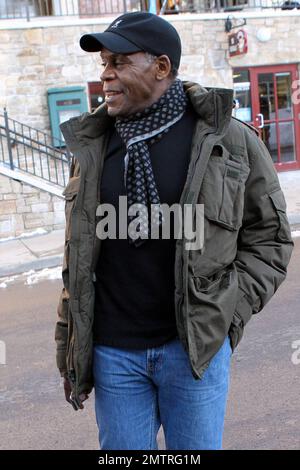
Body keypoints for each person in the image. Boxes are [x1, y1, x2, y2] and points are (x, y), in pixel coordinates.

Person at [55, 11, 293, 450]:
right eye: (103, 63)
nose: (105, 75)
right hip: (114, 355)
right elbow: (77, 255)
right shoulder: (94, 148)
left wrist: (228, 313)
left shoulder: (228, 140)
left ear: (161, 67)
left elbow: (271, 238)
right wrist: (69, 347)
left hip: (193, 351)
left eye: (118, 62)